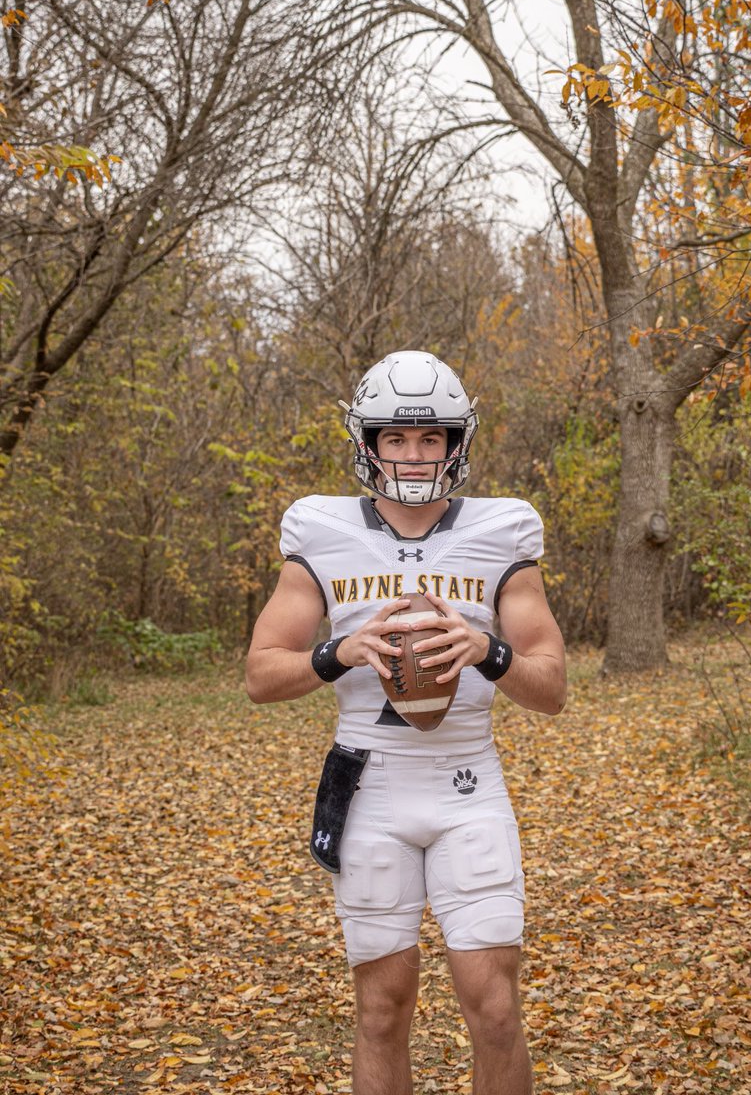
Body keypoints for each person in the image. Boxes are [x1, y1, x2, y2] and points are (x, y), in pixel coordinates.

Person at [246, 351, 566, 1095]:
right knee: (382, 1011)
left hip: (467, 787)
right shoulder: (321, 531)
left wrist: (489, 652)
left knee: (493, 1008)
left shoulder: (501, 533)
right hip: (372, 788)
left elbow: (550, 689)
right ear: (369, 442)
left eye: (431, 439)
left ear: (458, 444)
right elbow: (263, 672)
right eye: (396, 438)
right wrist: (338, 653)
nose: (414, 455)